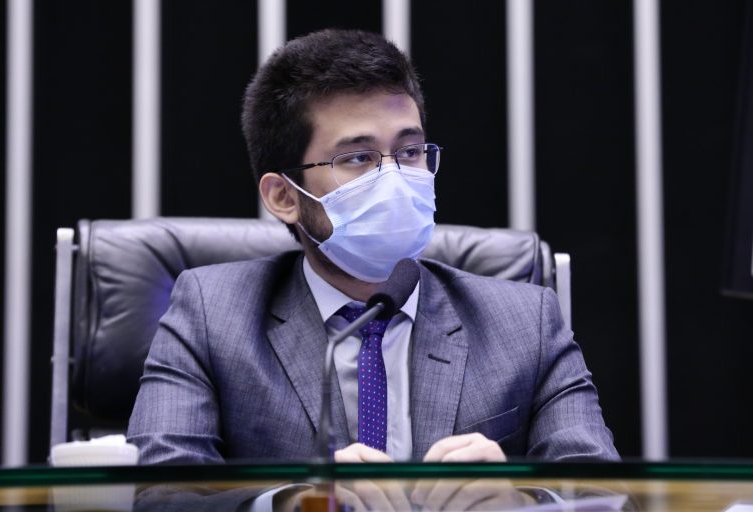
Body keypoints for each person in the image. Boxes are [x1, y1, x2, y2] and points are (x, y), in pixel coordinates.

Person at [127, 28, 618, 466]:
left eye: (410, 151)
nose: (396, 179)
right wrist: (294, 504)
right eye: (358, 158)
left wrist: (518, 498)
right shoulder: (211, 317)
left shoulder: (527, 324)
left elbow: (603, 495)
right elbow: (162, 491)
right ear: (284, 197)